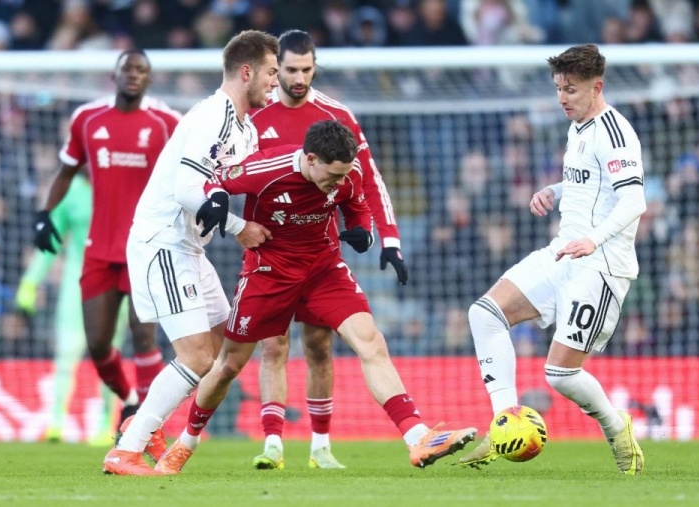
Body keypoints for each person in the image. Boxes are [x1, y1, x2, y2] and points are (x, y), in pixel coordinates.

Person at [153, 120, 476, 475]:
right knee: (229, 364)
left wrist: (362, 230)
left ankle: (417, 436)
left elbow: (357, 204)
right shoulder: (266, 169)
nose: (338, 182)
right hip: (269, 273)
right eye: (332, 175)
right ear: (310, 159)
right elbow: (213, 179)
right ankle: (186, 441)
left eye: (343, 175)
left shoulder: (347, 172)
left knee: (371, 342)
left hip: (324, 270)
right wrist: (229, 215)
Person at [458, 44, 647, 474]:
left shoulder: (615, 132)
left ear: (597, 87)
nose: (562, 97)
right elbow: (589, 182)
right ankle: (505, 424)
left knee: (559, 375)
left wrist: (593, 240)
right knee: (484, 314)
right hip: (563, 253)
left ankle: (616, 426)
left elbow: (633, 200)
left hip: (600, 267)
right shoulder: (577, 127)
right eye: (559, 88)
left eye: (571, 89)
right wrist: (554, 191)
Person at [102, 30, 280, 476]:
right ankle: (126, 449)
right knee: (198, 356)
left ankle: (144, 422)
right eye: (272, 72)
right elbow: (186, 190)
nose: (275, 82)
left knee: (227, 347)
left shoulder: (245, 129)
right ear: (246, 72)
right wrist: (238, 228)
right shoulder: (212, 115)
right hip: (164, 241)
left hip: (191, 248)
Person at [248, 29, 408, 470]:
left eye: (306, 69)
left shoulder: (336, 116)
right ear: (276, 67)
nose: (299, 78)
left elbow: (368, 179)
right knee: (273, 346)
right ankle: (273, 445)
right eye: (290, 70)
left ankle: (320, 447)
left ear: (315, 66)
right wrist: (235, 225)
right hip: (268, 251)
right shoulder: (253, 115)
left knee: (319, 346)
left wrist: (388, 238)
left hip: (318, 254)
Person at [33, 49, 181, 430]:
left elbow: (191, 172)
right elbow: (66, 172)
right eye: (127, 68)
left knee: (143, 336)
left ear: (149, 79)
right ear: (114, 75)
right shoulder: (87, 118)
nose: (133, 74)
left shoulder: (166, 122)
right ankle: (130, 402)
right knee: (98, 345)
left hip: (144, 248)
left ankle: (148, 426)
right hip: (99, 249)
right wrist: (44, 214)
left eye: (141, 70)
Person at [17, 173, 126, 444]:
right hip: (76, 283)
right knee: (66, 353)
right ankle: (55, 421)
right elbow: (51, 240)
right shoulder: (70, 190)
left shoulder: (121, 181)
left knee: (109, 356)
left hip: (115, 281)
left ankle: (106, 424)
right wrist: (30, 282)